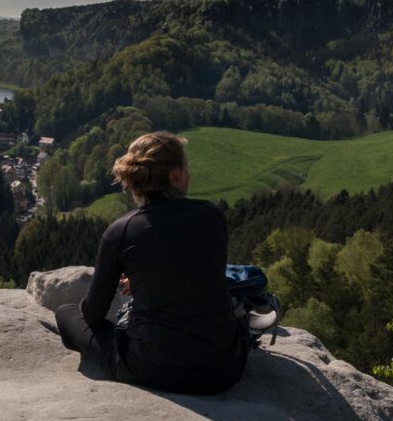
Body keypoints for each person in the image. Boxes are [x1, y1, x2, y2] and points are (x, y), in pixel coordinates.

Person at [54, 131, 248, 394]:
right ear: (176, 175)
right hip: (223, 368)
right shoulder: (211, 216)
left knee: (66, 313)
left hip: (151, 368)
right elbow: (202, 278)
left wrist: (143, 281)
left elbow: (93, 314)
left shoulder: (121, 231)